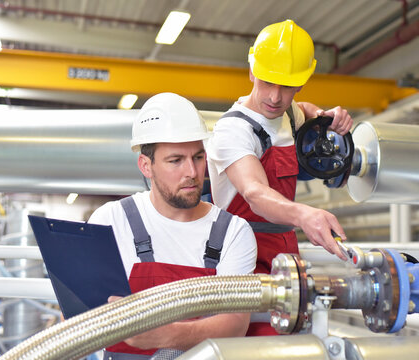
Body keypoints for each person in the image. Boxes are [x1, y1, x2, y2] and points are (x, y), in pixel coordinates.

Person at [205, 19, 353, 335]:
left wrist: (330, 118)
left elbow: (309, 111)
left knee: (293, 337)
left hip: (285, 250)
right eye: (267, 82)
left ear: (302, 82)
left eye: (286, 86)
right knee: (255, 342)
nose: (275, 97)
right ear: (251, 72)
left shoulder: (290, 114)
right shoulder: (233, 129)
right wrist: (305, 215)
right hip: (242, 253)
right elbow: (255, 193)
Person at [88, 92, 257, 359]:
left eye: (198, 157)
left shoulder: (233, 232)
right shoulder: (110, 221)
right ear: (146, 165)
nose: (191, 172)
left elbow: (235, 323)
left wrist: (164, 335)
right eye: (176, 160)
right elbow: (80, 316)